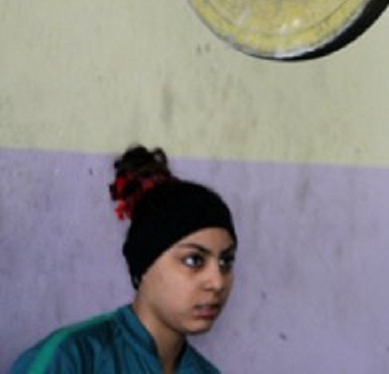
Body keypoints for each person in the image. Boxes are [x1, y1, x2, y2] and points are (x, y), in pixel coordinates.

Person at [11, 146, 238, 374]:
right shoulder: (70, 359)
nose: (217, 282)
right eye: (194, 260)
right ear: (145, 266)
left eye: (225, 261)